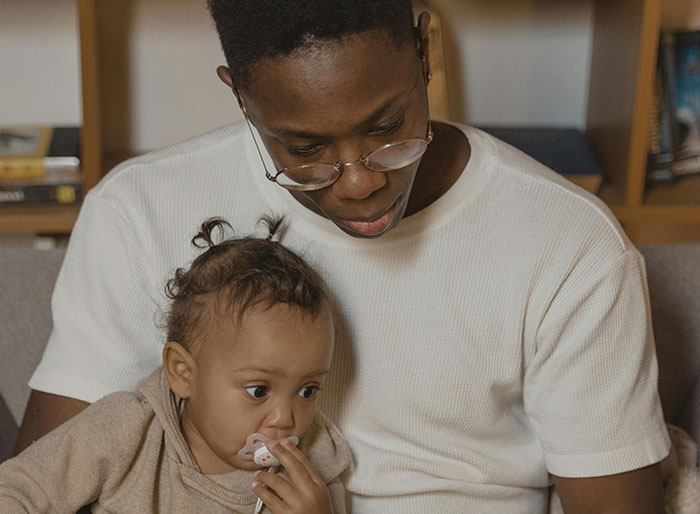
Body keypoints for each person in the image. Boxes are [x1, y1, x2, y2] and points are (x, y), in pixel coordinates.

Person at [15, 0, 670, 512]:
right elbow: (45, 481)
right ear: (239, 94)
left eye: (387, 129)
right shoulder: (140, 210)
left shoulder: (566, 241)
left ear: (423, 50)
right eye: (304, 149)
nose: (357, 180)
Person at [1, 218, 351, 514]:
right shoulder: (126, 430)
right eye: (258, 390)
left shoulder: (314, 462)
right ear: (183, 373)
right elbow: (18, 490)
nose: (285, 418)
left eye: (308, 390)